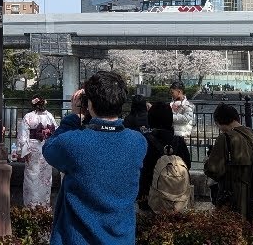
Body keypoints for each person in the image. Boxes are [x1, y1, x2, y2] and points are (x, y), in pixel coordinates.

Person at [44, 71, 147, 245]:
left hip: (77, 239)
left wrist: (74, 117)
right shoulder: (138, 142)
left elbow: (49, 149)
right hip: (122, 238)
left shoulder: (73, 142)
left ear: (89, 103)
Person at [204, 103, 253, 221]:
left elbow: (214, 170)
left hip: (231, 197)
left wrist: (207, 162)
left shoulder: (225, 138)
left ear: (219, 122)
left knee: (230, 232)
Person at [140, 100, 193, 212]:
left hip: (151, 197)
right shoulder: (179, 141)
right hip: (178, 197)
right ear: (170, 119)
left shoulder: (145, 141)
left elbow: (141, 169)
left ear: (150, 119)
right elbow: (188, 164)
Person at [18, 96, 58, 206]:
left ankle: (31, 207)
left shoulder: (28, 116)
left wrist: (25, 151)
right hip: (46, 148)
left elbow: (23, 136)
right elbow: (56, 132)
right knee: (45, 178)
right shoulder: (50, 116)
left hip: (32, 149)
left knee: (32, 177)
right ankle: (43, 207)